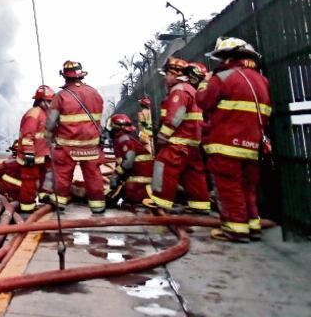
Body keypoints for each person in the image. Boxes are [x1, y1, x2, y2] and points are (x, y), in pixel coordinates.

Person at [196, 37, 272, 243]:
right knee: (248, 188)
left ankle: (235, 230)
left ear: (228, 57)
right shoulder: (261, 80)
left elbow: (203, 101)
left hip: (225, 145)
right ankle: (252, 227)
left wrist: (204, 82)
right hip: (252, 146)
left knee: (229, 188)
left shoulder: (222, 77)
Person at [143, 57, 211, 214]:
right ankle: (200, 205)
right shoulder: (191, 89)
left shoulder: (179, 89)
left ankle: (161, 201)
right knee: (192, 172)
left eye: (166, 74)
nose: (165, 78)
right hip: (192, 141)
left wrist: (163, 135)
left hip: (178, 140)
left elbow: (176, 115)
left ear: (174, 74)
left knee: (163, 164)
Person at [45, 60, 106, 214]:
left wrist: (49, 138)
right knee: (93, 176)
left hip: (67, 146)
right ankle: (98, 206)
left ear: (65, 77)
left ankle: (59, 205)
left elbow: (51, 122)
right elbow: (99, 118)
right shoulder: (95, 93)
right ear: (81, 75)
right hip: (92, 145)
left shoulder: (60, 97)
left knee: (63, 175)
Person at [18, 85, 53, 215]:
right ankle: (27, 206)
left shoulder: (47, 114)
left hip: (44, 154)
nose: (51, 104)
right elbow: (28, 135)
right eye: (48, 101)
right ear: (40, 100)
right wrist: (28, 153)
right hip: (31, 155)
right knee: (29, 180)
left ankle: (44, 196)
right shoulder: (34, 113)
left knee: (47, 176)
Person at [108, 114, 153, 205]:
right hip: (138, 175)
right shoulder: (122, 138)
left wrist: (116, 174)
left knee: (125, 197)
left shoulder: (123, 139)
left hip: (140, 178)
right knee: (117, 195)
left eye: (111, 125)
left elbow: (128, 162)